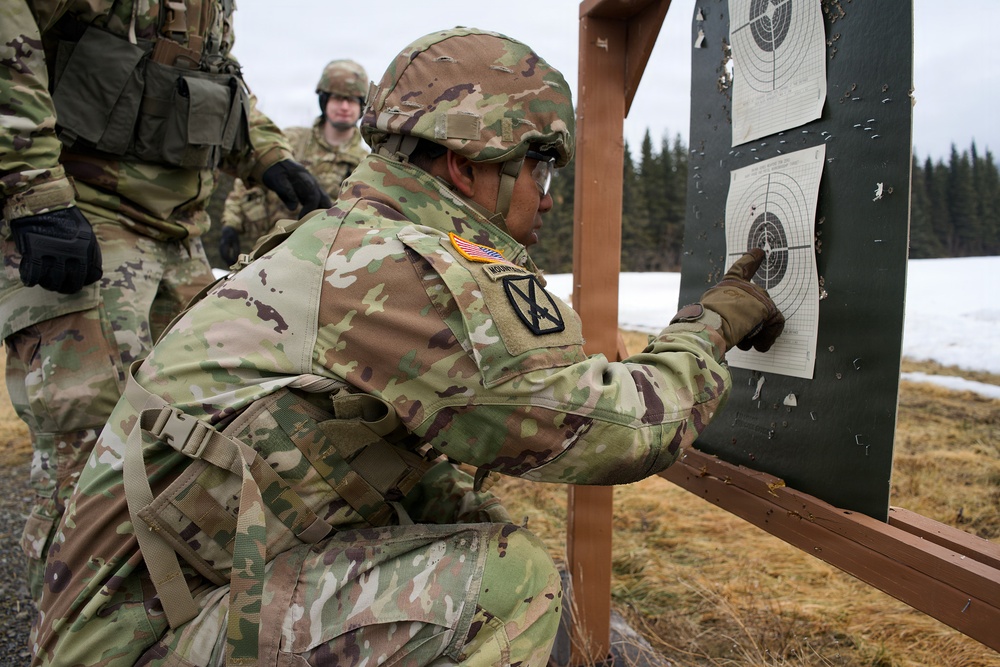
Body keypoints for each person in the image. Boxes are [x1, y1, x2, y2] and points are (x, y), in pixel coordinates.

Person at [31, 27, 784, 666]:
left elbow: (388, 467)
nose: (548, 195)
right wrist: (710, 327)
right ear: (468, 165)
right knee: (507, 581)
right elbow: (615, 432)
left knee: (480, 532)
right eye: (539, 164)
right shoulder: (401, 272)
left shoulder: (352, 241)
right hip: (142, 639)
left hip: (169, 600)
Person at [0, 0, 331, 603]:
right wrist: (35, 190)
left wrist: (271, 157)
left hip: (178, 233)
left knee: (194, 449)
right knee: (94, 466)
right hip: (83, 220)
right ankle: (72, 635)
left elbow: (208, 81)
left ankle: (148, 631)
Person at [218, 59, 370, 266]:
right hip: (264, 252)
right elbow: (245, 186)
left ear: (362, 106)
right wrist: (231, 227)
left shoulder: (365, 164)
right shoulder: (290, 140)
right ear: (324, 100)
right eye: (337, 98)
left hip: (316, 263)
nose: (344, 107)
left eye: (352, 100)